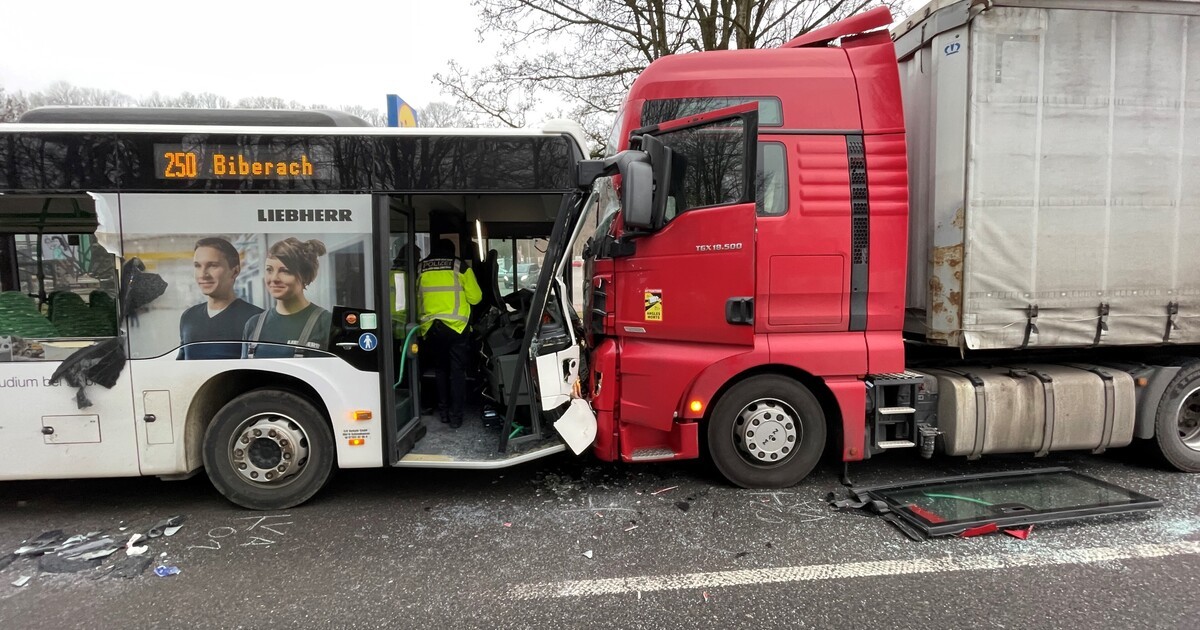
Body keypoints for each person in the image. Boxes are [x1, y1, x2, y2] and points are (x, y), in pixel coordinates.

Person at [417, 238, 481, 428]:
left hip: (430, 327)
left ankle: (443, 412)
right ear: (453, 250)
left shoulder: (420, 267)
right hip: (456, 327)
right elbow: (476, 298)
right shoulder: (460, 266)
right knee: (457, 372)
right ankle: (456, 417)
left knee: (440, 370)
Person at [243, 238, 332, 359]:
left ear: (305, 276)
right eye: (269, 270)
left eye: (285, 271)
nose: (274, 278)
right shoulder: (253, 324)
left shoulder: (327, 323)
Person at [179, 237, 262, 360]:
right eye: (197, 266)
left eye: (212, 265)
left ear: (235, 271)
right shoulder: (189, 316)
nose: (203, 274)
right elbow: (182, 364)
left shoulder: (257, 319)